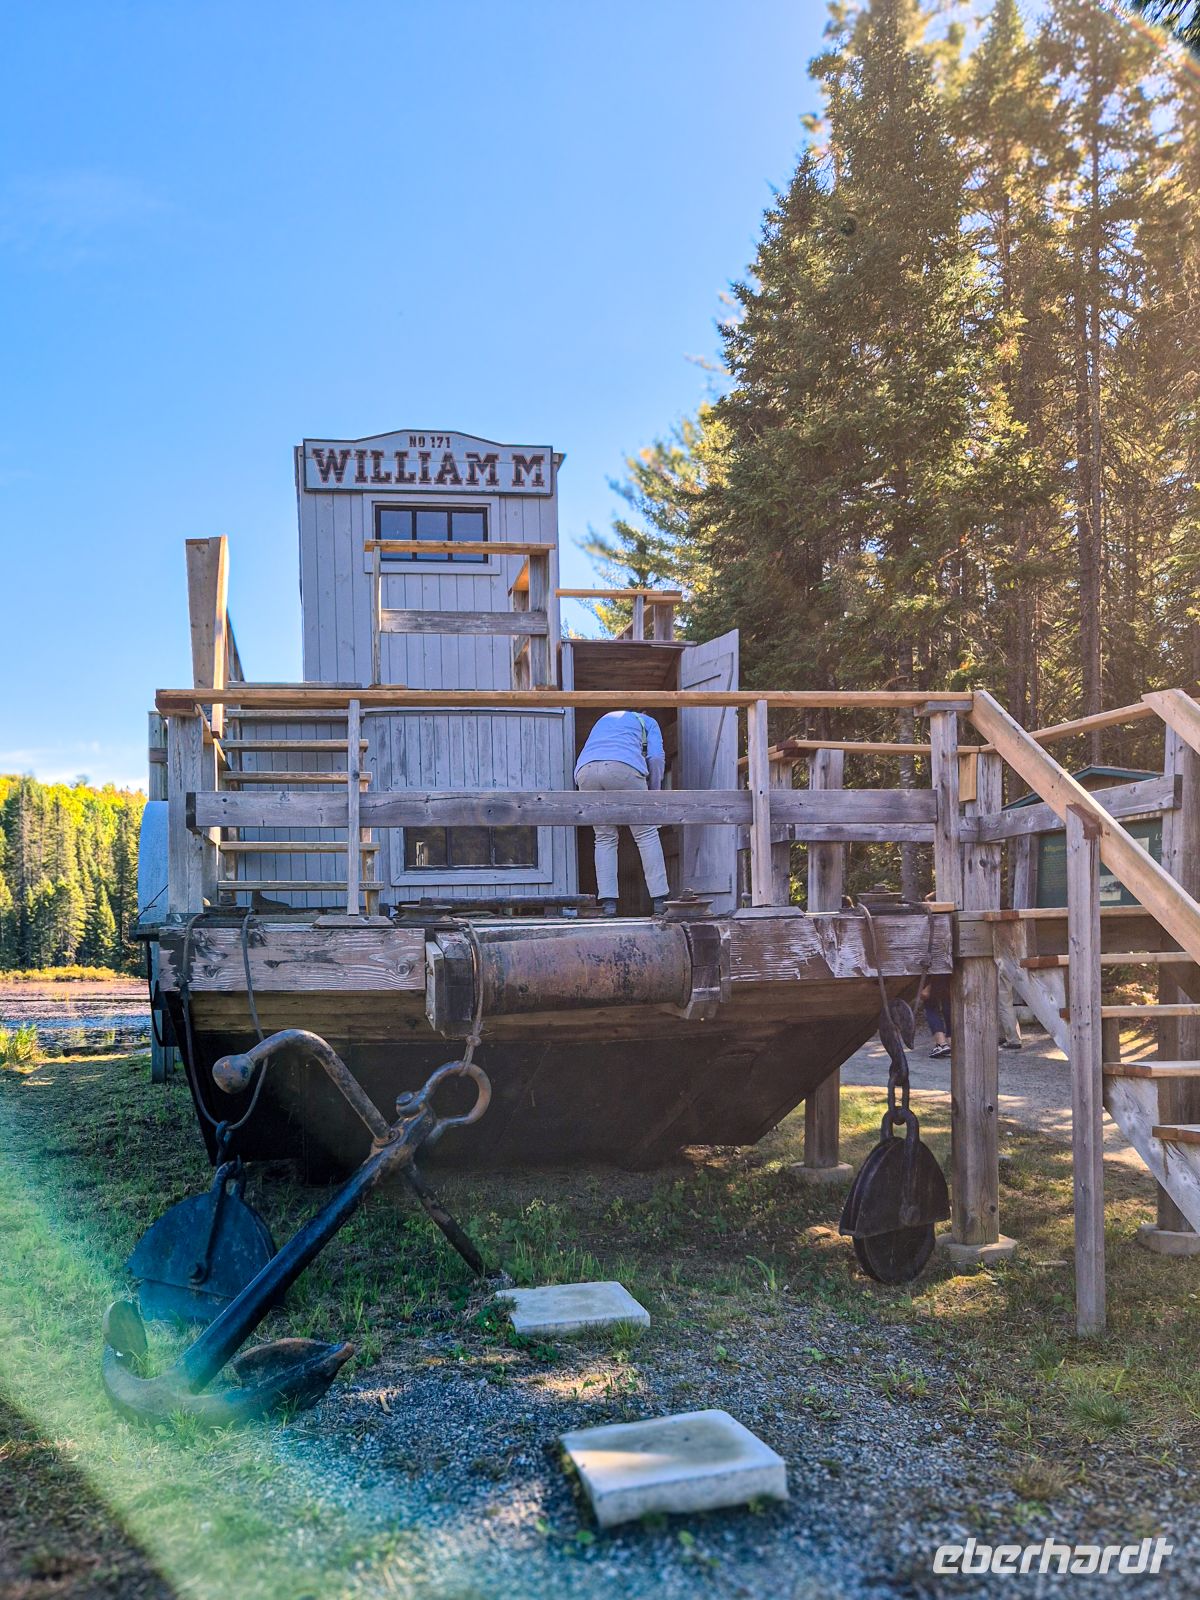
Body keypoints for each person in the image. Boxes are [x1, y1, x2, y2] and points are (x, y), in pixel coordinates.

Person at [574, 710, 670, 916]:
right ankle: (660, 900)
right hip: (623, 766)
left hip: (585, 770)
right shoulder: (649, 721)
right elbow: (654, 758)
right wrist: (654, 796)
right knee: (646, 833)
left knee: (604, 836)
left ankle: (608, 903)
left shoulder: (605, 718)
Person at [920, 972, 952, 1058]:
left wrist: (929, 986)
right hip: (953, 971)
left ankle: (941, 1044)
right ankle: (950, 1042)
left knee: (930, 1004)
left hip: (938, 973)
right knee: (948, 1003)